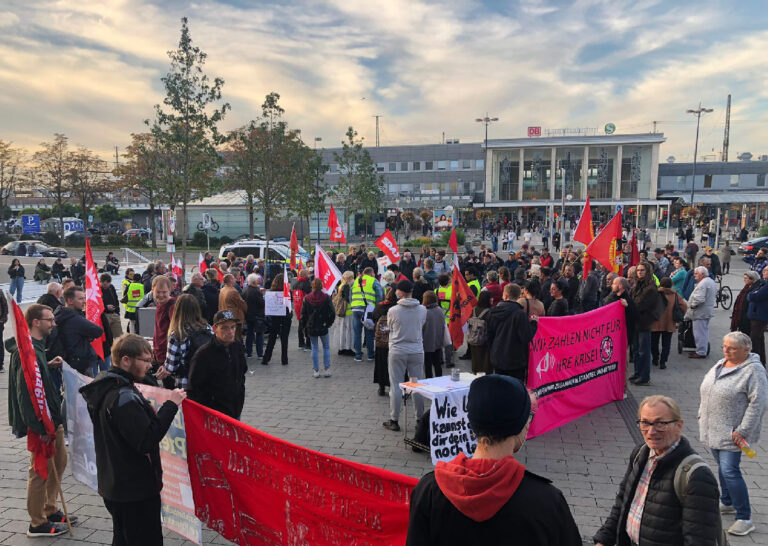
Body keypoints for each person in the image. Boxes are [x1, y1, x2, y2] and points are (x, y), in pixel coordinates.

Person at [407, 374, 581, 545]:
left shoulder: (429, 490)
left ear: (473, 426)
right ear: (520, 427)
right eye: (529, 417)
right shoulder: (547, 501)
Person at [80, 334, 186, 546]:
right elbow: (147, 440)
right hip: (134, 489)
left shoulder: (105, 385)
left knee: (123, 537)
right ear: (126, 360)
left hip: (115, 483)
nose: (149, 366)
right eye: (145, 360)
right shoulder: (123, 396)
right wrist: (171, 405)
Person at [594, 395, 721, 546]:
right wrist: (604, 539)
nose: (651, 431)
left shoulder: (696, 475)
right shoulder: (640, 453)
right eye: (645, 423)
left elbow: (699, 539)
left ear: (678, 425)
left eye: (660, 423)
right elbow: (623, 502)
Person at [6, 304, 72, 537]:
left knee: (59, 463)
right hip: (42, 422)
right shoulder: (26, 351)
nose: (53, 324)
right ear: (36, 322)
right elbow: (26, 392)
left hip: (52, 417)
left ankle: (50, 508)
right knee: (41, 470)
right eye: (50, 320)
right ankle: (37, 522)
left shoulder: (37, 348)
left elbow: (37, 378)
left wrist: (48, 364)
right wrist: (39, 426)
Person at [699, 332, 768, 536]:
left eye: (732, 348)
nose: (726, 350)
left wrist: (743, 430)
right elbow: (707, 390)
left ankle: (744, 517)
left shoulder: (754, 371)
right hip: (713, 428)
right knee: (722, 466)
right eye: (724, 346)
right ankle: (727, 501)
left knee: (730, 470)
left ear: (747, 350)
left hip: (733, 432)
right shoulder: (721, 363)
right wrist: (701, 414)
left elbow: (759, 403)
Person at [383, 280, 427, 432]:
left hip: (398, 350)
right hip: (416, 350)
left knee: (396, 384)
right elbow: (421, 325)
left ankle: (394, 419)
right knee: (416, 385)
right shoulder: (422, 309)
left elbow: (390, 328)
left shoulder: (393, 310)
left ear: (400, 292)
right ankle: (419, 419)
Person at [187, 310, 248, 419]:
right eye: (224, 328)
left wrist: (239, 398)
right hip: (214, 414)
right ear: (215, 329)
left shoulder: (237, 347)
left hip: (235, 409)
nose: (230, 331)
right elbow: (194, 389)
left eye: (232, 327)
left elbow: (241, 373)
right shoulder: (204, 354)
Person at [487, 283, 538, 381]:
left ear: (505, 296)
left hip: (498, 357)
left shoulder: (493, 312)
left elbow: (489, 336)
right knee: (515, 389)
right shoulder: (520, 314)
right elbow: (526, 336)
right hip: (516, 360)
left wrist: (493, 351)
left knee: (499, 385)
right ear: (519, 295)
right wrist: (534, 324)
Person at [164, 294, 213, 388]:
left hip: (186, 384)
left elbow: (171, 367)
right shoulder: (207, 328)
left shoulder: (177, 335)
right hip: (207, 381)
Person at [54, 286, 104, 376]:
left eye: (84, 298)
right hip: (80, 364)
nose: (84, 301)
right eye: (80, 298)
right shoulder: (74, 318)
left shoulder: (60, 314)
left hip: (68, 362)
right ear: (70, 301)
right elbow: (98, 331)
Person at [629, 262, 661, 386]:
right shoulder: (637, 285)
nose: (640, 272)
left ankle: (644, 377)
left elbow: (640, 305)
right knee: (636, 350)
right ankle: (637, 373)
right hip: (636, 323)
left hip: (644, 323)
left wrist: (630, 305)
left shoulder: (651, 288)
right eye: (638, 270)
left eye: (642, 270)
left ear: (647, 272)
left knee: (643, 351)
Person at [300, 278, 336, 378]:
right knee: (326, 347)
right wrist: (328, 323)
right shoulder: (326, 297)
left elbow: (303, 314)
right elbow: (332, 312)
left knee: (314, 348)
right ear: (321, 286)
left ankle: (316, 370)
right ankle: (327, 369)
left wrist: (304, 326)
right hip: (323, 325)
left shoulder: (307, 298)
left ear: (312, 286)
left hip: (311, 326)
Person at [651, 277, 687, 370]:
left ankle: (655, 358)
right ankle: (663, 362)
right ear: (671, 285)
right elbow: (684, 306)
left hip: (656, 322)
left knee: (654, 342)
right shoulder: (675, 295)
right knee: (666, 344)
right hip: (669, 322)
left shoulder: (655, 293)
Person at [148, 276, 176, 385]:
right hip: (160, 354)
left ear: (170, 290)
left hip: (168, 358)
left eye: (164, 292)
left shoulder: (172, 306)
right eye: (158, 292)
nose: (161, 295)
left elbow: (176, 336)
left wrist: (168, 364)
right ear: (152, 290)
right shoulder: (160, 304)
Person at [686, 266, 717, 359]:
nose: (694, 275)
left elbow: (699, 298)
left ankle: (701, 351)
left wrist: (692, 305)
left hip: (700, 312)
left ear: (702, 274)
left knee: (699, 333)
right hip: (705, 311)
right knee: (704, 331)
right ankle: (703, 349)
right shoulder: (710, 281)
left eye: (696, 273)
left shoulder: (703, 283)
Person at [262, 274, 292, 366]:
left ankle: (266, 359)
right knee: (284, 339)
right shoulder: (286, 292)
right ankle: (284, 359)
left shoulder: (271, 291)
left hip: (274, 318)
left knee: (272, 338)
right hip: (285, 318)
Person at [373, 287, 398, 395]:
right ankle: (394, 386)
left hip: (381, 341)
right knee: (395, 365)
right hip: (394, 340)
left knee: (381, 364)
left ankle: (381, 387)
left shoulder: (379, 306)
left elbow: (374, 318)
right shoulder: (397, 308)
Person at [350, 267, 378, 362]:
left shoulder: (356, 280)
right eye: (374, 273)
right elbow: (380, 294)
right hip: (367, 310)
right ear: (370, 273)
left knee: (357, 333)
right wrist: (377, 308)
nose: (374, 275)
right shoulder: (373, 280)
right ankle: (370, 355)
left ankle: (358, 356)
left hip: (355, 309)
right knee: (369, 332)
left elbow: (350, 294)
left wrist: (353, 305)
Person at [746, 266, 768, 366]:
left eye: (767, 270)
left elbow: (755, 296)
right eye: (764, 270)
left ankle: (755, 362)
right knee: (759, 339)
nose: (764, 271)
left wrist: (752, 294)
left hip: (760, 315)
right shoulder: (763, 283)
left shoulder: (766, 285)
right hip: (757, 315)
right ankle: (761, 361)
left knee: (754, 339)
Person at [421, 290, 445, 379]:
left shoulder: (424, 312)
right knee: (437, 364)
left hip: (427, 343)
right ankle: (439, 380)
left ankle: (429, 382)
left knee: (428, 365)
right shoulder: (439, 310)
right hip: (438, 342)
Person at [468, 291, 492, 374]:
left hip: (473, 339)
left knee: (475, 359)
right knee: (485, 361)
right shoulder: (490, 311)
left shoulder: (474, 309)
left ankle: (475, 373)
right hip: (485, 341)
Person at [242, 273, 265, 359]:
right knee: (259, 334)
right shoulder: (256, 291)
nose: (259, 282)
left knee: (249, 334)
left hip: (248, 314)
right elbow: (261, 303)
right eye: (257, 280)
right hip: (257, 315)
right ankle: (260, 354)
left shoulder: (245, 289)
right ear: (254, 282)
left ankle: (249, 353)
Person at [218, 274, 247, 342]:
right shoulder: (233, 291)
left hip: (225, 315)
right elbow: (241, 304)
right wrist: (246, 311)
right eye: (233, 278)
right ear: (230, 280)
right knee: (236, 336)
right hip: (235, 316)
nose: (235, 280)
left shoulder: (223, 289)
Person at [334, 271, 355, 356]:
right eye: (352, 277)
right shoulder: (348, 286)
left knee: (342, 329)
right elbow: (348, 299)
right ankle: (348, 348)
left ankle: (341, 348)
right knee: (349, 330)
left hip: (341, 311)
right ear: (350, 278)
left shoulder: (341, 285)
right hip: (348, 311)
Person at [293, 270, 312, 351]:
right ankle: (308, 345)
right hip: (305, 308)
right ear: (305, 275)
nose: (310, 275)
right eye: (308, 273)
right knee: (308, 326)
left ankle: (301, 343)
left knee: (300, 325)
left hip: (298, 307)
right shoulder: (307, 284)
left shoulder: (295, 284)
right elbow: (309, 297)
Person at [100, 273, 123, 340]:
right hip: (105, 315)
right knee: (107, 337)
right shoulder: (97, 289)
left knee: (119, 336)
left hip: (114, 314)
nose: (106, 286)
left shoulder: (111, 287)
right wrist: (105, 307)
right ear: (100, 282)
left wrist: (117, 311)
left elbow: (115, 299)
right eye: (104, 284)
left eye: (107, 283)